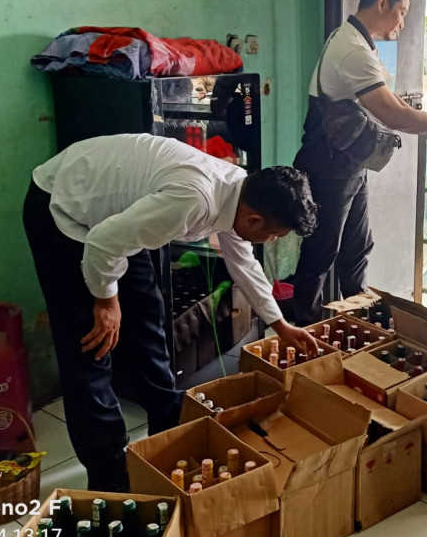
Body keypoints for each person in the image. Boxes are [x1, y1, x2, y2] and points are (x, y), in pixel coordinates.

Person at [23, 133, 319, 491]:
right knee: (92, 346)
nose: (271, 241)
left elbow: (242, 260)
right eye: (274, 235)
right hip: (63, 209)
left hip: (113, 218)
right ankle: (110, 473)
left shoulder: (241, 192)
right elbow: (103, 242)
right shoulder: (194, 200)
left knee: (148, 319)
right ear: (255, 220)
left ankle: (167, 429)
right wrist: (106, 301)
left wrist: (280, 324)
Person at [288, 0, 427, 324]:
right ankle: (305, 332)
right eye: (401, 12)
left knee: (357, 249)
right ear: (383, 3)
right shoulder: (350, 50)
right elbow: (394, 116)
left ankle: (358, 323)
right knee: (321, 252)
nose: (403, 22)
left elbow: (394, 104)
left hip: (348, 165)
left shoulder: (356, 43)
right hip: (329, 167)